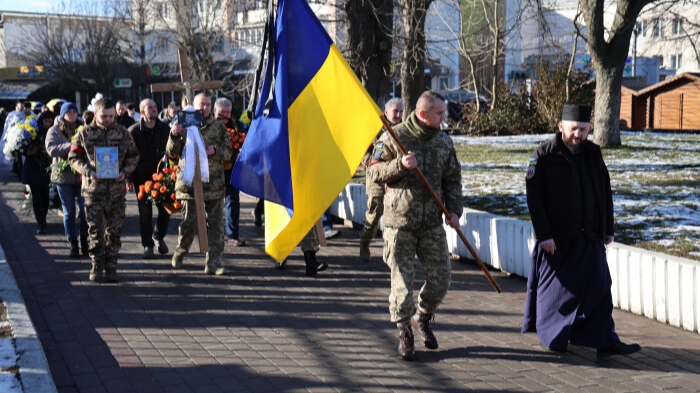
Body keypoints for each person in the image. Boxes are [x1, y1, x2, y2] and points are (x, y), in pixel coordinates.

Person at [521, 104, 641, 358]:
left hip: (590, 236)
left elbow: (604, 192)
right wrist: (544, 235)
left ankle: (605, 341)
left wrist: (608, 228)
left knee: (600, 288)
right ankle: (553, 336)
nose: (578, 134)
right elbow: (535, 199)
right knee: (555, 295)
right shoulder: (542, 155)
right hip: (557, 240)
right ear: (561, 126)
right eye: (574, 128)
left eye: (583, 130)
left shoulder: (594, 154)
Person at [367, 90, 462, 361]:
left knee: (442, 280)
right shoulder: (395, 136)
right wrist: (400, 165)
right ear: (423, 114)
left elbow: (453, 178)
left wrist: (454, 210)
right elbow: (372, 170)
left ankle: (422, 317)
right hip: (400, 224)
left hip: (432, 223)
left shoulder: (443, 142)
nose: (444, 118)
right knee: (402, 283)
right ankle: (404, 331)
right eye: (440, 114)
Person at [68, 98, 140, 283]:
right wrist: (87, 171)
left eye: (110, 116)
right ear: (95, 113)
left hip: (116, 191)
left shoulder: (123, 133)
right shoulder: (84, 133)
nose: (108, 119)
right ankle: (96, 265)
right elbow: (73, 157)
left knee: (114, 233)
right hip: (94, 191)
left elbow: (134, 155)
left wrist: (125, 172)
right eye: (104, 116)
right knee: (96, 232)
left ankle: (111, 267)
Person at [167, 93, 233, 275]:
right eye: (201, 104)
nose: (204, 108)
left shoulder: (218, 127)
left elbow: (229, 152)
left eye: (208, 104)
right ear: (192, 106)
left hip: (213, 184)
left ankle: (214, 262)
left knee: (216, 225)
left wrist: (215, 150)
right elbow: (171, 152)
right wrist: (174, 135)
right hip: (189, 184)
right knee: (189, 222)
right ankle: (181, 250)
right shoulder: (182, 124)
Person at [360, 97, 403, 261]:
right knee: (374, 215)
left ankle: (391, 253)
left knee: (393, 216)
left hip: (395, 178)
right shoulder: (376, 129)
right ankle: (365, 242)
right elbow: (363, 151)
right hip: (377, 180)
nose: (398, 115)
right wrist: (369, 164)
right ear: (386, 112)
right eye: (395, 111)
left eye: (400, 112)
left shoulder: (402, 129)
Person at [127, 99, 171, 259]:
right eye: (149, 108)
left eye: (155, 106)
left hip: (162, 179)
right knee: (145, 213)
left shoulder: (165, 128)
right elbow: (127, 156)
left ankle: (158, 236)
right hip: (141, 178)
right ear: (142, 112)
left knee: (165, 211)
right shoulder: (133, 131)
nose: (153, 109)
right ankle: (148, 245)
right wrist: (129, 179)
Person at [46, 102, 89, 258]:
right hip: (64, 176)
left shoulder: (84, 127)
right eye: (68, 111)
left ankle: (84, 239)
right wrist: (69, 146)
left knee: (85, 211)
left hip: (82, 175)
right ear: (63, 114)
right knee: (69, 212)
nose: (71, 114)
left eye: (74, 111)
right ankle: (73, 242)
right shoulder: (55, 130)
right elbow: (50, 149)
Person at [213, 97, 247, 247]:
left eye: (228, 112)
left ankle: (232, 235)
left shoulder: (238, 126)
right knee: (213, 203)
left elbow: (246, 143)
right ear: (215, 111)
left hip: (232, 170)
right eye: (222, 112)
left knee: (233, 201)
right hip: (213, 171)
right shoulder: (209, 126)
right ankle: (211, 234)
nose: (225, 116)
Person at [22, 111, 54, 234]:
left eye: (50, 122)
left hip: (45, 168)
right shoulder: (32, 130)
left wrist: (48, 151)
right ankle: (40, 223)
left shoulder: (52, 132)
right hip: (32, 167)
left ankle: (43, 218)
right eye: (46, 121)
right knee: (37, 197)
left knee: (45, 197)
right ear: (41, 120)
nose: (47, 124)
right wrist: (29, 152)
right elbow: (22, 148)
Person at [1, 101, 25, 167]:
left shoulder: (24, 113)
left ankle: (18, 166)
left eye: (22, 105)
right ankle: (15, 165)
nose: (22, 107)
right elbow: (8, 125)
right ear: (17, 105)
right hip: (14, 135)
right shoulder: (12, 114)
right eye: (20, 105)